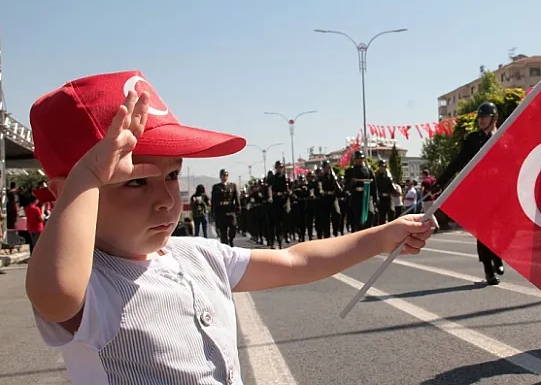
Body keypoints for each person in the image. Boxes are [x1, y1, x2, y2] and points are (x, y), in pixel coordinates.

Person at [24, 70, 433, 385]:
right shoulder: (92, 286)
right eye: (134, 181)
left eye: (171, 176)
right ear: (68, 194)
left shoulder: (198, 254)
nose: (167, 199)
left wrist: (381, 236)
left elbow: (295, 260)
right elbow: (56, 294)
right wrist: (87, 177)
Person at [433, 102, 505, 285]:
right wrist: (440, 181)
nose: (481, 120)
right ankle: (489, 270)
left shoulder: (504, 137)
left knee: (500, 228)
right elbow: (457, 162)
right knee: (484, 230)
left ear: (494, 118)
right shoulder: (472, 140)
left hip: (500, 191)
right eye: (479, 117)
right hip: (479, 191)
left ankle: (497, 256)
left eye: (485, 117)